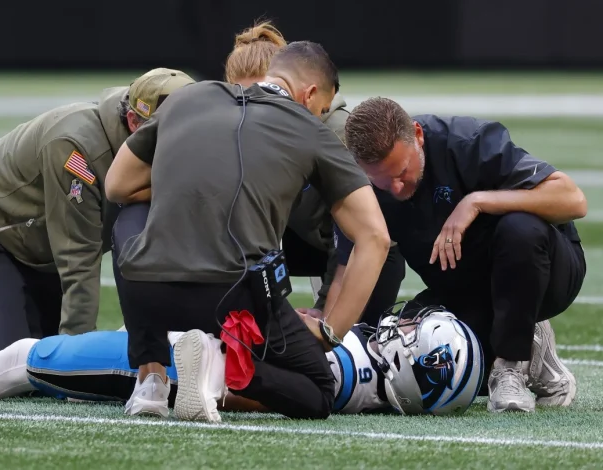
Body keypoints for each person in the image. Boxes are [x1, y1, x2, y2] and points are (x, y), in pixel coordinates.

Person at [105, 41, 392, 422]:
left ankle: (151, 379)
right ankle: (219, 367)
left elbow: (116, 186)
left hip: (150, 294)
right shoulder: (309, 128)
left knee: (129, 217)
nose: (321, 116)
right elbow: (376, 236)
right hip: (233, 302)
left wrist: (191, 183)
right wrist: (331, 331)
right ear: (308, 95)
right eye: (323, 109)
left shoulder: (189, 97)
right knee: (319, 392)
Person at [0, 69, 195, 362]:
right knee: (15, 368)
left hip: (41, 250)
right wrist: (77, 359)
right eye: (166, 132)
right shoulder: (77, 149)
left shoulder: (148, 143)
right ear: (133, 121)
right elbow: (78, 256)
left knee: (41, 353)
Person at [337, 96, 587, 413]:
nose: (396, 188)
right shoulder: (359, 186)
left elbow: (573, 200)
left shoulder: (467, 143)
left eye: (401, 172)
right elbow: (358, 263)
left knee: (520, 228)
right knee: (417, 358)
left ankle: (511, 364)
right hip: (463, 288)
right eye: (382, 181)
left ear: (418, 135)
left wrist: (477, 202)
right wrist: (337, 335)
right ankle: (533, 348)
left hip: (546, 271)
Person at [0, 304, 483, 417]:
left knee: (29, 359)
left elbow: (245, 376)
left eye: (413, 333)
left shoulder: (338, 380)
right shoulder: (360, 379)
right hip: (196, 349)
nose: (402, 327)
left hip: (173, 360)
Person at [221, 20, 406, 322]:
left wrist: (324, 311)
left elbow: (359, 236)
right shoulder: (234, 126)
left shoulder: (334, 134)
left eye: (263, 93)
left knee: (353, 348)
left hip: (349, 245)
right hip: (298, 236)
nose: (254, 107)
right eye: (243, 98)